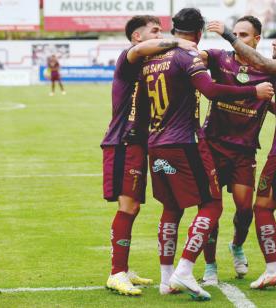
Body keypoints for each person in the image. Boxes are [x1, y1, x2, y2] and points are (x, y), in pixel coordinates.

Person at [138, 8, 274, 301]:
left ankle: (166, 279)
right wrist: (252, 92)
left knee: (171, 209)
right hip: (186, 142)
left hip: (156, 142)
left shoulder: (151, 59)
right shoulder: (189, 57)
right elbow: (210, 90)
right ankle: (187, 269)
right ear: (199, 32)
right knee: (211, 205)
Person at [196, 15, 276, 286]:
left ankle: (248, 253)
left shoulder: (273, 68)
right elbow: (194, 58)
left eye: (244, 35)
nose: (238, 39)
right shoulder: (220, 58)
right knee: (212, 208)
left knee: (251, 209)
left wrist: (227, 33)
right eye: (236, 34)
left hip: (263, 151)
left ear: (256, 40)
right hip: (215, 145)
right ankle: (210, 266)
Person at [100, 15, 197, 296]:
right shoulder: (129, 56)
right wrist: (179, 40)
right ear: (137, 37)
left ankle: (123, 268)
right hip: (123, 142)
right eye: (155, 31)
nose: (161, 34)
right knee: (127, 206)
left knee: (134, 207)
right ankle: (116, 273)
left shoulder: (155, 64)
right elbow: (141, 51)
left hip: (141, 144)